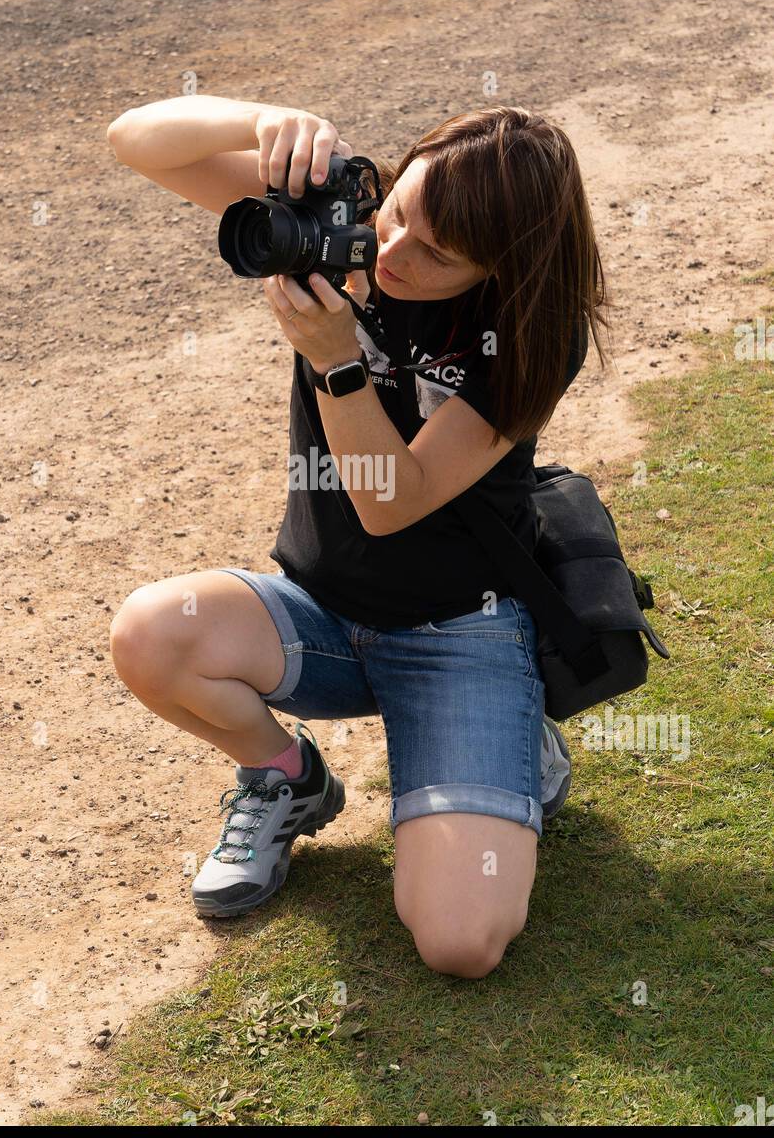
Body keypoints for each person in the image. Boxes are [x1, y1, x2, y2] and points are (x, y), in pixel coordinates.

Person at [106, 96, 608, 979]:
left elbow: (390, 501)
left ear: (505, 267)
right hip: (323, 611)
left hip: (463, 630)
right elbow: (134, 142)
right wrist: (273, 120)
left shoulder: (531, 331)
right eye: (400, 212)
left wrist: (338, 360)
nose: (393, 252)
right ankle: (287, 776)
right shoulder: (347, 216)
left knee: (460, 942)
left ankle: (510, 728)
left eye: (437, 254)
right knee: (152, 633)